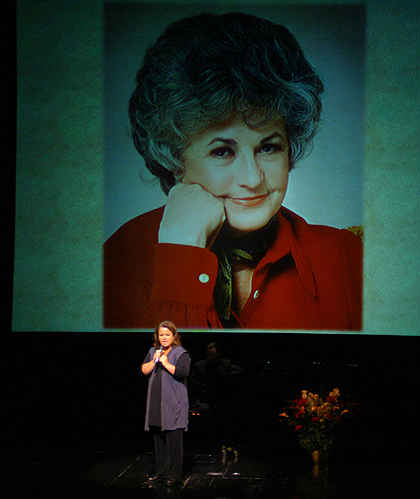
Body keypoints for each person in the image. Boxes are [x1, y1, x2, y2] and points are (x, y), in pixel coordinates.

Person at [104, 12, 362, 330]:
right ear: (174, 157)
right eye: (223, 151)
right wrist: (181, 255)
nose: (253, 179)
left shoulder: (348, 257)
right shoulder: (119, 262)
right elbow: (159, 375)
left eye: (268, 147)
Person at [141, 321, 191, 486]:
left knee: (173, 440)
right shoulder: (153, 351)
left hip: (173, 402)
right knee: (158, 438)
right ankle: (161, 472)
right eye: (161, 335)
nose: (164, 338)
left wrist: (165, 362)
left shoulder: (181, 353)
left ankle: (174, 475)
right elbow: (144, 370)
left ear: (173, 336)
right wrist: (155, 360)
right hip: (156, 402)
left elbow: (183, 372)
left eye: (167, 335)